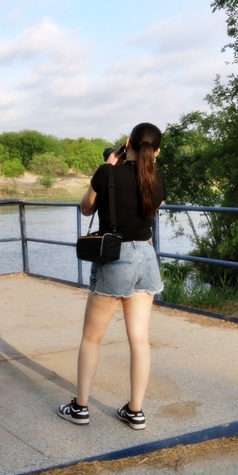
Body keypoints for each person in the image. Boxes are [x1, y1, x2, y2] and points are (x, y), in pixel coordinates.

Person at [58, 122, 165, 430]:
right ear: (156, 152)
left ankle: (80, 408)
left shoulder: (108, 173)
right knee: (140, 340)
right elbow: (151, 209)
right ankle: (135, 411)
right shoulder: (158, 178)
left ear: (126, 144)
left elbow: (85, 209)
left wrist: (108, 167)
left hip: (117, 258)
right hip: (147, 257)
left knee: (92, 337)